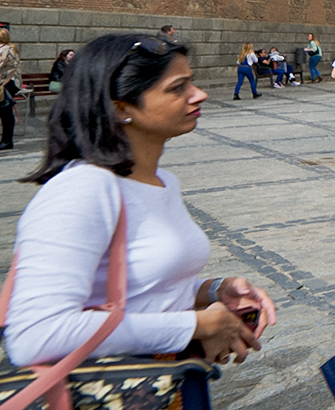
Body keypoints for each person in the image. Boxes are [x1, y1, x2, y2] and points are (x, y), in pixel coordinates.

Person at [6, 33, 274, 369]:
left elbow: (138, 290)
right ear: (121, 107)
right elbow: (36, 335)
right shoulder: (82, 189)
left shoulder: (163, 182)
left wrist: (213, 290)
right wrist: (198, 324)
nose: (199, 95)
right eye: (178, 88)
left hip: (170, 384)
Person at [0, 29, 20, 150]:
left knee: (5, 112)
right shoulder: (8, 48)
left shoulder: (6, 49)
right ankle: (6, 140)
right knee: (4, 112)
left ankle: (7, 141)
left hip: (7, 84)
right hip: (8, 83)